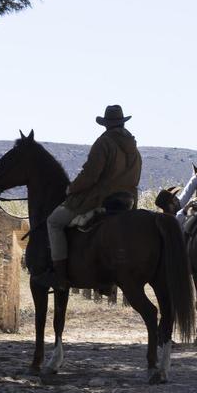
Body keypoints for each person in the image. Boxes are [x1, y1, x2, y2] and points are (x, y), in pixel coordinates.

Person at [33, 105, 142, 290]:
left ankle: (60, 276)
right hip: (128, 200)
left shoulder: (104, 143)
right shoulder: (134, 149)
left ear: (106, 124)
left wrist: (71, 188)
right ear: (122, 122)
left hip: (101, 198)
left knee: (54, 222)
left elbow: (90, 175)